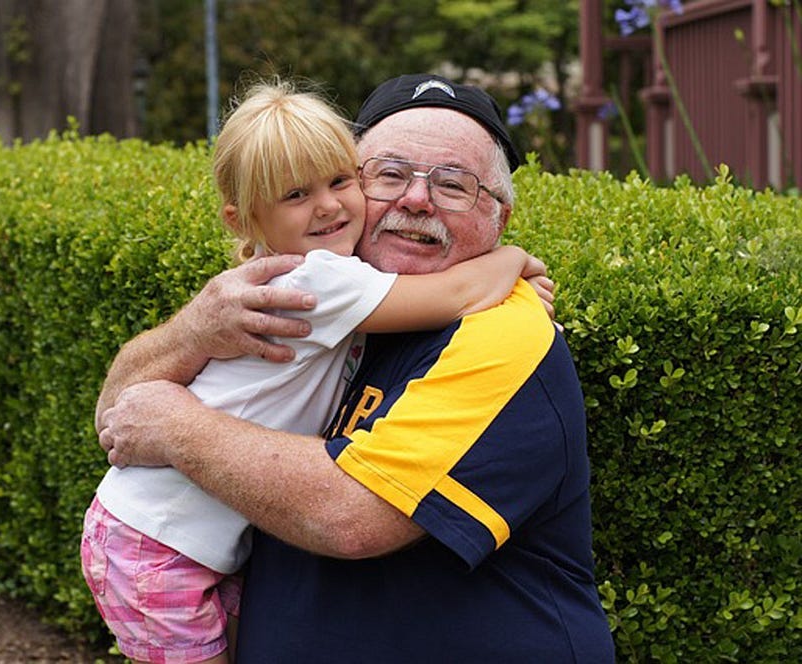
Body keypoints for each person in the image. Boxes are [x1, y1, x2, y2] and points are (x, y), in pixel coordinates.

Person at [95, 73, 615, 662]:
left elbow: (352, 518)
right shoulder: (312, 297)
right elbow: (114, 412)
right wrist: (192, 329)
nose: (415, 200)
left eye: (454, 184)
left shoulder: (500, 333)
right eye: (388, 175)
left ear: (500, 218)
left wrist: (173, 426)